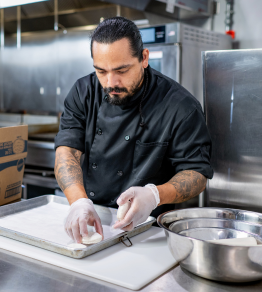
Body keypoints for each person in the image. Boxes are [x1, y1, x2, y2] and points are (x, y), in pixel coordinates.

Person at [54, 17, 213, 243]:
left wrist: (154, 195)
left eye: (122, 70)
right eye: (101, 71)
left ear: (144, 58)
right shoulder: (83, 92)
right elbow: (66, 152)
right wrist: (78, 202)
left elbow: (197, 174)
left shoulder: (180, 106)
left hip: (151, 230)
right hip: (92, 220)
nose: (111, 82)